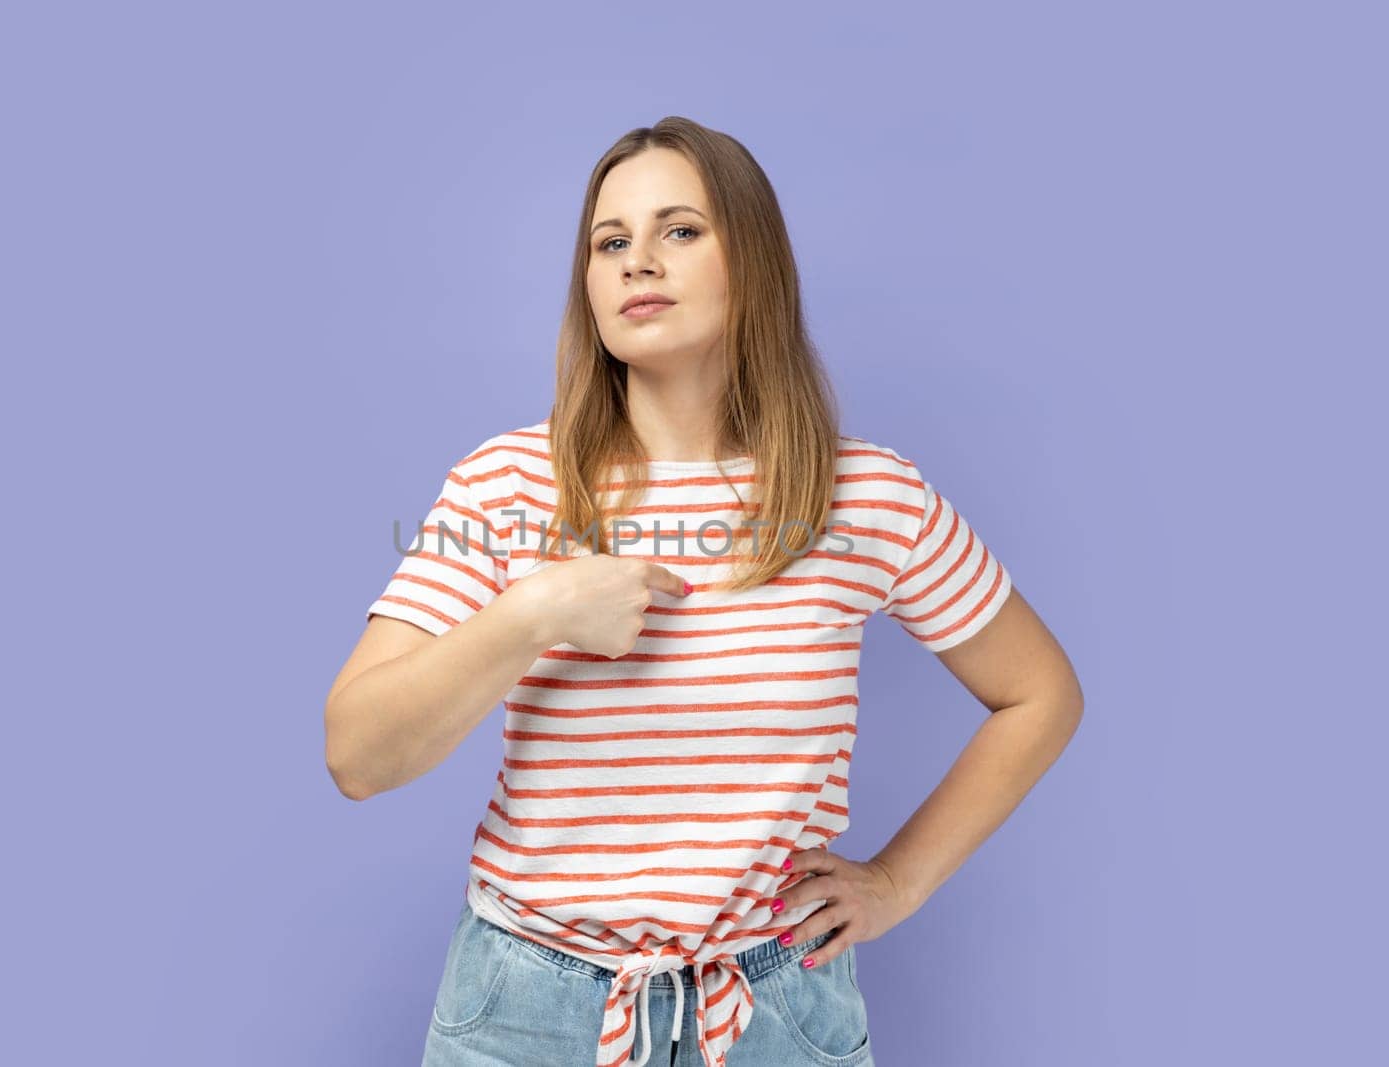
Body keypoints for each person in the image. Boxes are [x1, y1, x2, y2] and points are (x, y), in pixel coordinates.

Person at [325, 116, 1084, 1067]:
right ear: (590, 288)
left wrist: (895, 882)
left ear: (753, 259)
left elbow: (1040, 693)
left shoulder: (866, 496)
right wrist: (536, 614)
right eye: (611, 242)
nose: (639, 260)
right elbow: (357, 754)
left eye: (680, 229)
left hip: (774, 1017)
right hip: (524, 1016)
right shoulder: (506, 485)